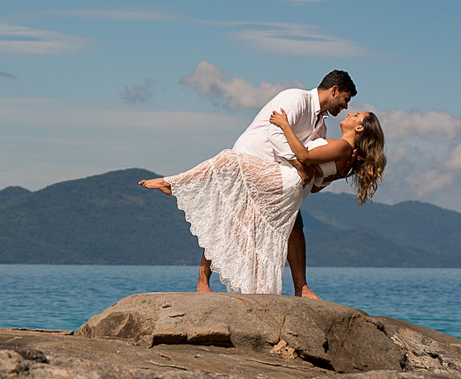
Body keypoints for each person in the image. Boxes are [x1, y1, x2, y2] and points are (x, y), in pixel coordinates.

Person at [140, 71, 385, 295]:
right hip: (254, 159)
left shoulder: (322, 128)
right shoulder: (296, 99)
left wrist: (312, 171)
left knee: (289, 227)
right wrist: (301, 166)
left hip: (279, 176)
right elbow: (276, 135)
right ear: (334, 90)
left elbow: (311, 165)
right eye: (345, 99)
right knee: (235, 219)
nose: (346, 107)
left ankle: (294, 287)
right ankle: (210, 281)